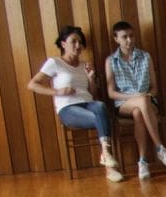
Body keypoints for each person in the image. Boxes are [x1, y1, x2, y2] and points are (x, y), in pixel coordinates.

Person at [27, 26, 122, 183]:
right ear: (63, 44)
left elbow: (93, 95)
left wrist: (91, 78)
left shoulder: (85, 65)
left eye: (80, 42)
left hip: (88, 103)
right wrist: (57, 92)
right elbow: (32, 85)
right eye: (74, 42)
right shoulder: (54, 62)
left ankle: (106, 154)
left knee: (100, 106)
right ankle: (109, 166)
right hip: (68, 108)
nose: (78, 45)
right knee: (100, 117)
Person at [104, 20, 166, 181]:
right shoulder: (111, 61)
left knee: (139, 112)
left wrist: (145, 97)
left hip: (148, 101)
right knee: (141, 102)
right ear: (116, 39)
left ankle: (142, 162)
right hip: (124, 103)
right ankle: (160, 148)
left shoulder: (145, 56)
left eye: (131, 36)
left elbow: (154, 88)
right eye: (124, 37)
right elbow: (111, 93)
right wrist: (135, 97)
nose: (129, 40)